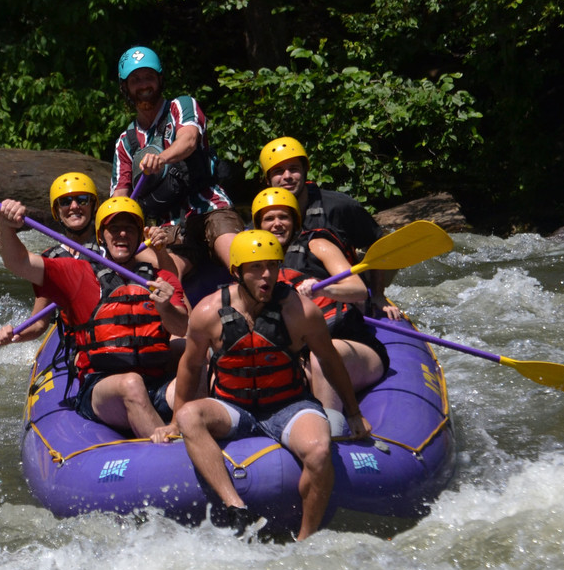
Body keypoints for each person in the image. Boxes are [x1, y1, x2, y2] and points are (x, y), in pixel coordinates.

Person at [152, 229, 370, 540]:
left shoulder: (302, 311)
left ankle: (305, 540)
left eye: (272, 266)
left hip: (288, 404)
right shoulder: (206, 312)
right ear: (236, 271)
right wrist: (174, 421)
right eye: (256, 267)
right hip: (233, 406)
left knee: (320, 451)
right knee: (189, 417)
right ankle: (236, 506)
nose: (266, 275)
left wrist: (353, 412)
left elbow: (331, 362)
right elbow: (191, 366)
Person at [0, 195, 188, 438]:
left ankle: (188, 428)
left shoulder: (160, 278)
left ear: (141, 237)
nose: (121, 235)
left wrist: (165, 308)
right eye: (114, 229)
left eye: (129, 229)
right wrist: (6, 225)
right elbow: (19, 262)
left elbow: (181, 327)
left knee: (195, 351)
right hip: (102, 387)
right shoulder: (77, 274)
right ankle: (166, 453)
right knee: (131, 383)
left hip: (156, 382)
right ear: (100, 236)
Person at [251, 187, 391, 413]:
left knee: (321, 355)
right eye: (269, 218)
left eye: (283, 217)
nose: (277, 223)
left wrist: (323, 291)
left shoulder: (317, 244)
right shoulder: (255, 262)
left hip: (346, 343)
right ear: (258, 225)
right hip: (299, 351)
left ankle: (333, 429)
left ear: (294, 221)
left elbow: (358, 290)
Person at [110, 45, 243, 276]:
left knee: (241, 259)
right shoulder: (125, 142)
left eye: (149, 77)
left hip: (209, 209)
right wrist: (110, 225)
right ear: (125, 88)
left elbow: (189, 140)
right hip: (167, 229)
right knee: (165, 278)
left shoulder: (180, 106)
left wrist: (161, 159)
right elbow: (120, 195)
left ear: (160, 80)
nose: (143, 85)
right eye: (135, 80)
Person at [259, 136, 396, 315]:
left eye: (294, 169)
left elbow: (376, 242)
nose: (287, 177)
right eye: (278, 171)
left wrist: (378, 294)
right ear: (268, 180)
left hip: (341, 291)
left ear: (305, 171)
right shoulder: (264, 214)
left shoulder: (339, 206)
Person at [0, 172, 101, 347]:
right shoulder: (53, 258)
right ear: (57, 212)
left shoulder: (113, 246)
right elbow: (38, 323)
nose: (74, 206)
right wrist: (15, 335)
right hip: (79, 343)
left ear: (93, 206)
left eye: (82, 199)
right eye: (65, 202)